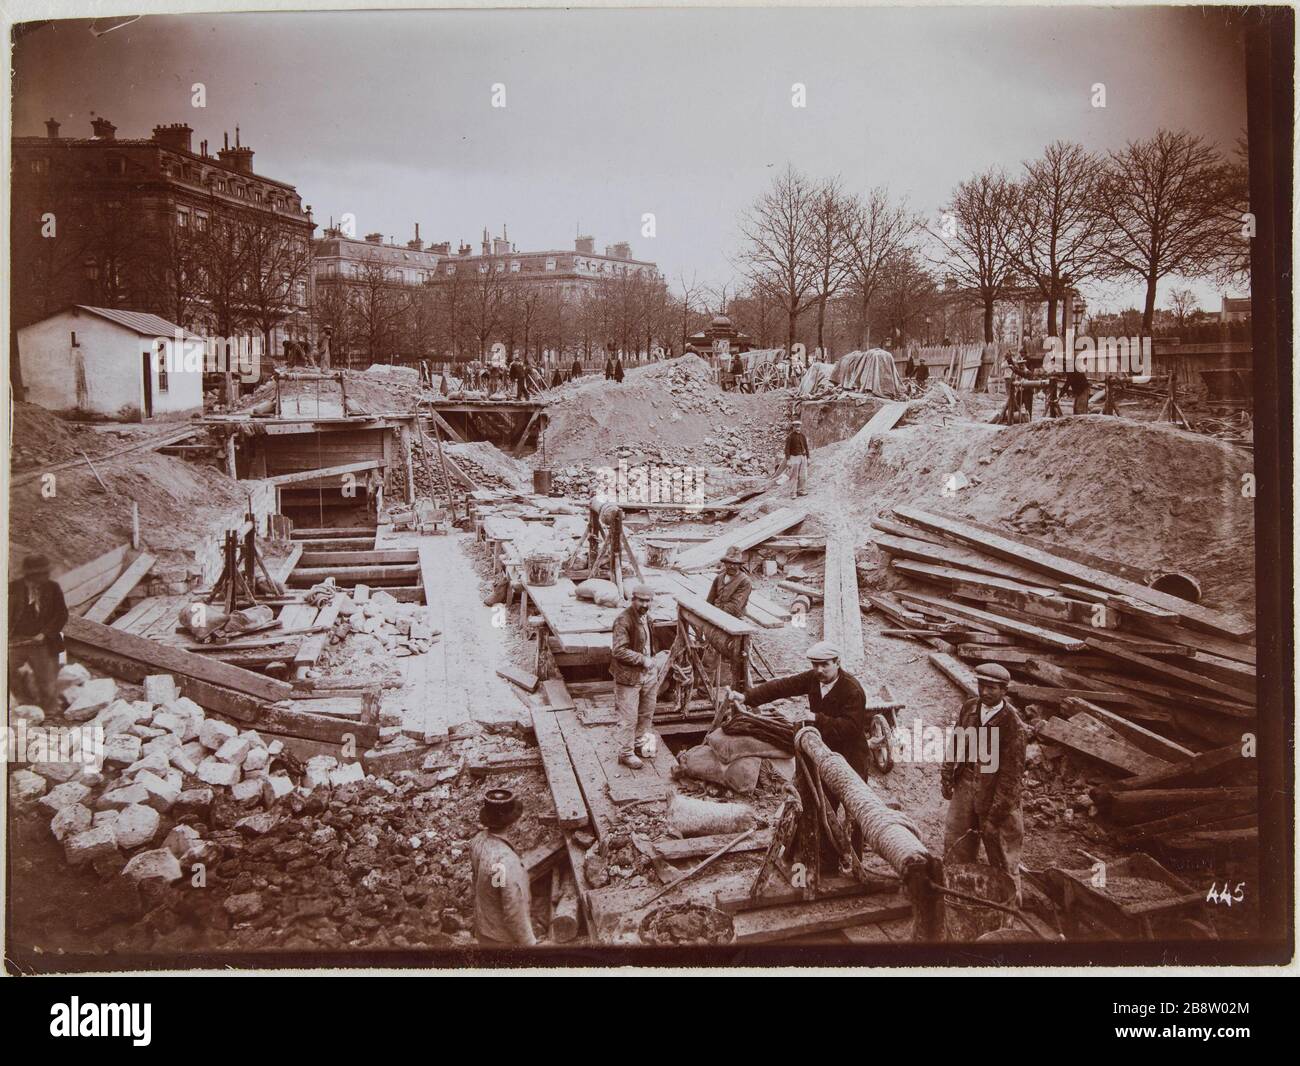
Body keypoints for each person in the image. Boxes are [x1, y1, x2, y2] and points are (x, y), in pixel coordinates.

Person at [940, 663, 1027, 900]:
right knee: (956, 843)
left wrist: (995, 815)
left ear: (1004, 691)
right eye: (982, 686)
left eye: (992, 688)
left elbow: (1011, 778)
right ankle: (957, 896)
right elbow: (956, 742)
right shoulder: (969, 709)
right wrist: (947, 774)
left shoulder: (1012, 725)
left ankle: (1009, 908)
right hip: (966, 784)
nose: (985, 692)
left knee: (1002, 853)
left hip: (996, 794)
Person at [740, 641, 868, 778]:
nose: (819, 670)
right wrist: (746, 697)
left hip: (850, 755)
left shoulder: (853, 691)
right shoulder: (813, 678)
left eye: (825, 665)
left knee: (852, 795)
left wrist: (816, 718)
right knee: (816, 794)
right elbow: (782, 686)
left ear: (837, 663)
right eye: (815, 665)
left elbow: (851, 728)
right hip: (821, 749)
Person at [469, 788, 538, 947]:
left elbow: (490, 883)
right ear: (512, 822)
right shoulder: (506, 861)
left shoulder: (477, 840)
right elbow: (513, 910)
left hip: (483, 928)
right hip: (503, 939)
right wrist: (529, 943)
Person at [8, 553, 68, 714]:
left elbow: (62, 614)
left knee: (48, 685)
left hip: (43, 642)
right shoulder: (12, 588)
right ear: (32, 574)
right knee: (6, 669)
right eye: (44, 573)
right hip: (16, 641)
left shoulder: (53, 588)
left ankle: (49, 714)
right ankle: (26, 706)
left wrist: (45, 634)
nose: (48, 575)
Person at [610, 582, 659, 769]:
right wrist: (642, 659)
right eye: (641, 601)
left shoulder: (648, 618)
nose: (645, 605)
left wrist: (653, 660)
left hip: (648, 675)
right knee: (628, 718)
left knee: (646, 713)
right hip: (628, 677)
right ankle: (625, 753)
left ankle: (638, 745)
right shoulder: (623, 620)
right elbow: (619, 651)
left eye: (648, 601)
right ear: (633, 599)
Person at [706, 545, 752, 621]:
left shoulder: (745, 581)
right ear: (724, 563)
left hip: (734, 617)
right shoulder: (719, 577)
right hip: (716, 613)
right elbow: (710, 599)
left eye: (735, 564)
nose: (732, 566)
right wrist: (708, 612)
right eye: (729, 563)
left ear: (739, 565)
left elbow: (735, 606)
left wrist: (716, 615)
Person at [782, 417, 811, 497]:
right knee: (794, 476)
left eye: (799, 426)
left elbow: (806, 447)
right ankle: (793, 492)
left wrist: (808, 458)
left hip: (803, 457)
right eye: (796, 426)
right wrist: (788, 460)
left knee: (803, 475)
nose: (798, 428)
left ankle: (801, 490)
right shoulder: (790, 437)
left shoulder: (803, 436)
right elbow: (787, 449)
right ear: (793, 427)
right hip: (794, 458)